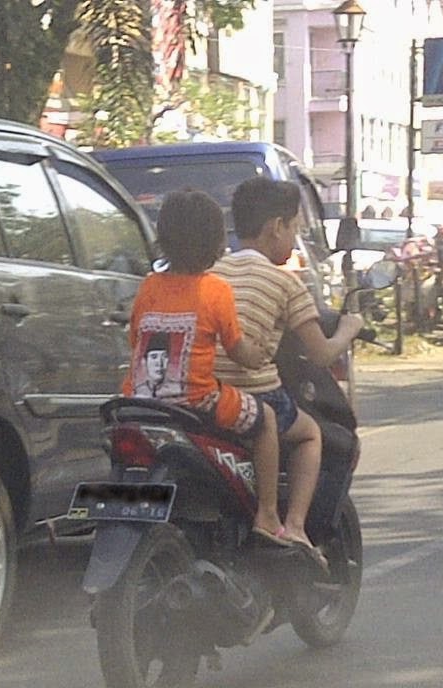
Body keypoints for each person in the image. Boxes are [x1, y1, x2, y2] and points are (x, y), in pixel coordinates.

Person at [122, 189, 290, 548]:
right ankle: (268, 514)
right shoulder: (215, 290)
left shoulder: (149, 286)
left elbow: (134, 337)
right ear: (216, 243)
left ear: (163, 239)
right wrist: (260, 354)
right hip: (198, 403)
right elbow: (239, 351)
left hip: (138, 404)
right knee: (268, 421)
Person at [212, 177, 364, 567]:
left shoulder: (213, 271)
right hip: (252, 395)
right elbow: (319, 353)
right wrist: (349, 328)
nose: (295, 238)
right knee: (310, 432)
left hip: (206, 393)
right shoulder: (285, 282)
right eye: (294, 227)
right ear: (275, 227)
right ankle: (293, 525)